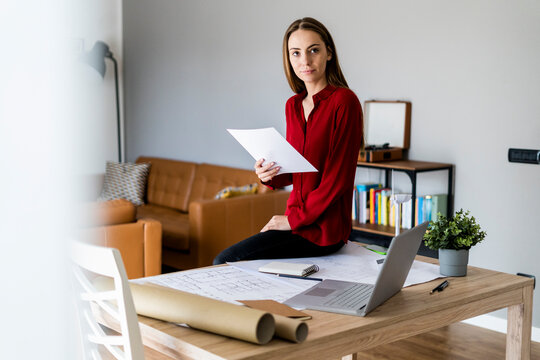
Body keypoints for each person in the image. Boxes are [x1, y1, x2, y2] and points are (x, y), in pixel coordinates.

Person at [213, 17, 363, 264]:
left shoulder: (344, 102)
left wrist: (293, 220)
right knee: (233, 262)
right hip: (295, 221)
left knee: (224, 261)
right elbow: (297, 171)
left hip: (323, 231)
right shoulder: (293, 105)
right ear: (289, 58)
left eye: (313, 50)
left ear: (328, 53)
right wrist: (268, 174)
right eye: (296, 53)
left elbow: (338, 179)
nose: (305, 60)